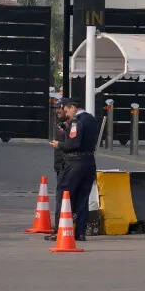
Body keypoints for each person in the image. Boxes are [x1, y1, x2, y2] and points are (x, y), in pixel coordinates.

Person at [49, 97, 99, 241]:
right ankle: (80, 232)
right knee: (82, 198)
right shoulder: (91, 119)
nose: (66, 114)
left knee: (64, 195)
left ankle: (61, 230)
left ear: (73, 108)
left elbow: (73, 144)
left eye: (67, 111)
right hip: (89, 162)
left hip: (75, 163)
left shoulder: (76, 121)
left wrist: (59, 145)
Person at [50, 97, 68, 232]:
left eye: (59, 108)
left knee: (62, 196)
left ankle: (59, 227)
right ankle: (60, 224)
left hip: (66, 165)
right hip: (59, 165)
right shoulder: (59, 123)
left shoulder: (70, 124)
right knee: (61, 196)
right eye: (56, 109)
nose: (57, 111)